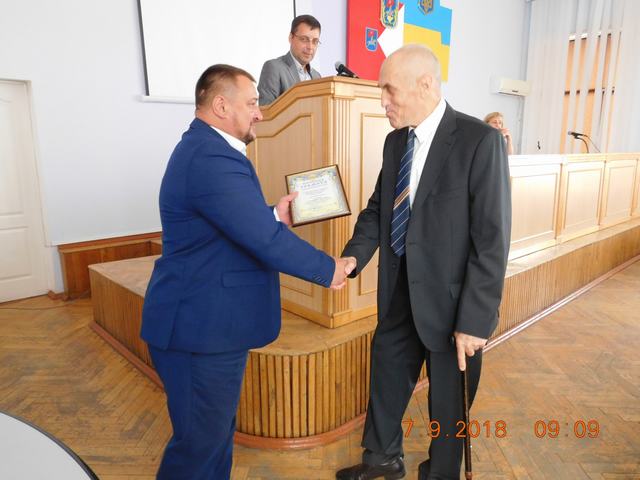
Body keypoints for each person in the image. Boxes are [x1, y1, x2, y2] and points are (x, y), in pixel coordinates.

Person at [140, 64, 353, 480]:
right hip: (198, 330)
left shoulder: (208, 150)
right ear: (221, 105)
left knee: (214, 438)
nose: (260, 112)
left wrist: (273, 214)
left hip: (209, 325)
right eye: (253, 103)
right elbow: (263, 240)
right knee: (198, 450)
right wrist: (328, 269)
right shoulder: (210, 156)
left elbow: (234, 225)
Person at [336, 45, 511, 480]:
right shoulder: (396, 142)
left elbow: (491, 239)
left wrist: (475, 320)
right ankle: (382, 459)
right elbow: (379, 209)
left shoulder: (479, 141)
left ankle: (441, 472)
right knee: (386, 378)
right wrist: (353, 257)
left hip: (453, 307)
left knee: (448, 406)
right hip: (399, 292)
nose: (383, 101)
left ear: (426, 84)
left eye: (389, 90)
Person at [257, 14, 322, 106]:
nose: (310, 47)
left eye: (315, 41)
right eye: (304, 39)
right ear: (291, 38)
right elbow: (266, 111)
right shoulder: (273, 68)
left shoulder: (317, 77)